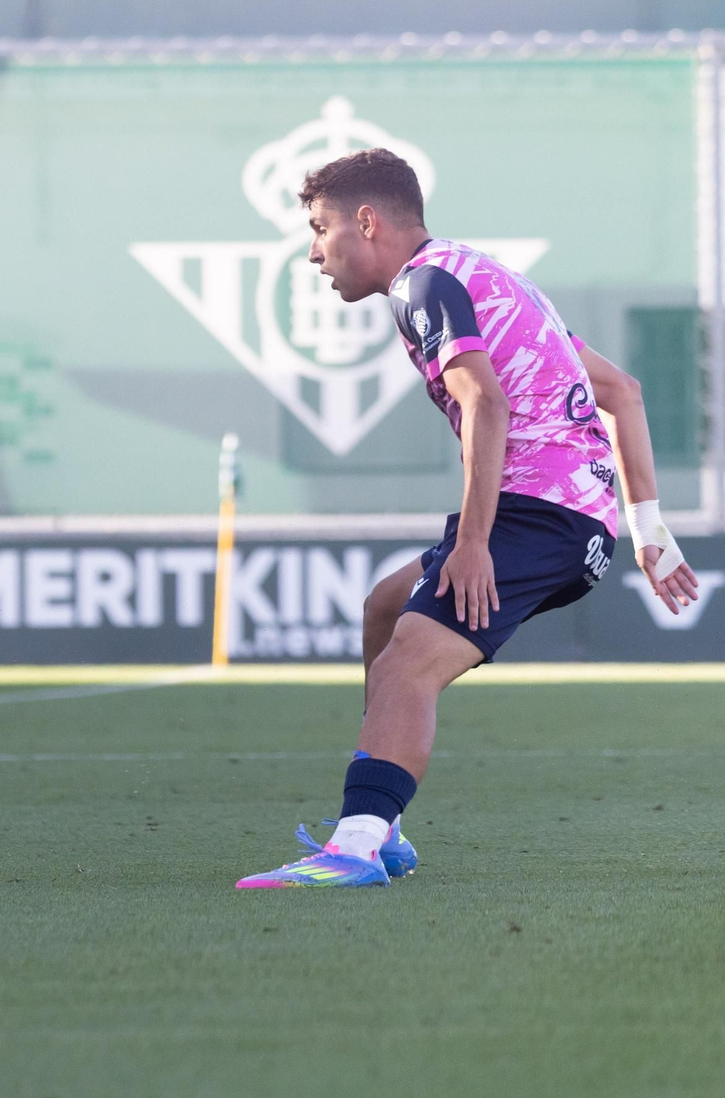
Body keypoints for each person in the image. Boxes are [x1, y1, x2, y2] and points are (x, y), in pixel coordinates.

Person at [237, 147, 698, 890]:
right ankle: (381, 830)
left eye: (321, 229)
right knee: (385, 609)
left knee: (407, 663)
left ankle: (354, 848)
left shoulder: (423, 285)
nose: (314, 253)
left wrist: (475, 542)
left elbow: (486, 400)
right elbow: (623, 391)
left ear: (368, 220)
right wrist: (648, 532)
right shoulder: (484, 276)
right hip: (568, 519)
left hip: (535, 515)